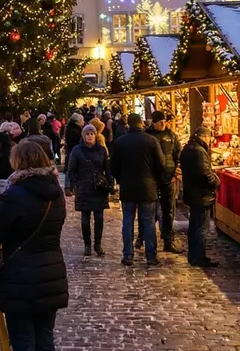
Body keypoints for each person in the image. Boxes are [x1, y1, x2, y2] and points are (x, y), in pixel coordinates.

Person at [0, 141, 68, 351]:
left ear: (18, 162)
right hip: (52, 273)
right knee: (45, 342)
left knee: (23, 344)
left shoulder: (16, 194)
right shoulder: (56, 194)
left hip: (20, 277)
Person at [109, 113, 164, 266]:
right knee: (148, 221)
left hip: (128, 186)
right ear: (141, 123)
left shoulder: (119, 142)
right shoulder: (151, 141)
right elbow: (161, 164)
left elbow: (113, 166)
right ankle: (151, 255)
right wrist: (155, 179)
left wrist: (121, 179)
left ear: (129, 124)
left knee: (128, 220)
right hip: (147, 186)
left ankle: (128, 255)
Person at [66, 123, 110, 256]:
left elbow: (107, 168)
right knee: (85, 218)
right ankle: (87, 244)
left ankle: (98, 244)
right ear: (83, 136)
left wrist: (110, 183)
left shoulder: (101, 150)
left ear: (95, 135)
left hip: (99, 188)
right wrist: (72, 186)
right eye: (87, 134)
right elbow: (71, 170)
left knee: (99, 218)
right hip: (83, 187)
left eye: (92, 134)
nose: (90, 136)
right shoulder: (77, 150)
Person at [179, 127, 220, 267]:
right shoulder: (199, 151)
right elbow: (206, 173)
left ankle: (193, 255)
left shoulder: (187, 149)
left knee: (194, 225)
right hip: (201, 194)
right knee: (202, 227)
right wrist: (216, 182)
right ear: (205, 137)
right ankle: (198, 256)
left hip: (192, 192)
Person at [146, 111, 183, 254]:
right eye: (160, 122)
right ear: (153, 122)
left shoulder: (171, 136)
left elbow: (178, 154)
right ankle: (145, 237)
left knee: (169, 210)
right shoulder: (148, 136)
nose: (163, 124)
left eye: (164, 121)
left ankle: (168, 240)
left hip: (169, 178)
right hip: (152, 179)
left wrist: (176, 171)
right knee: (150, 210)